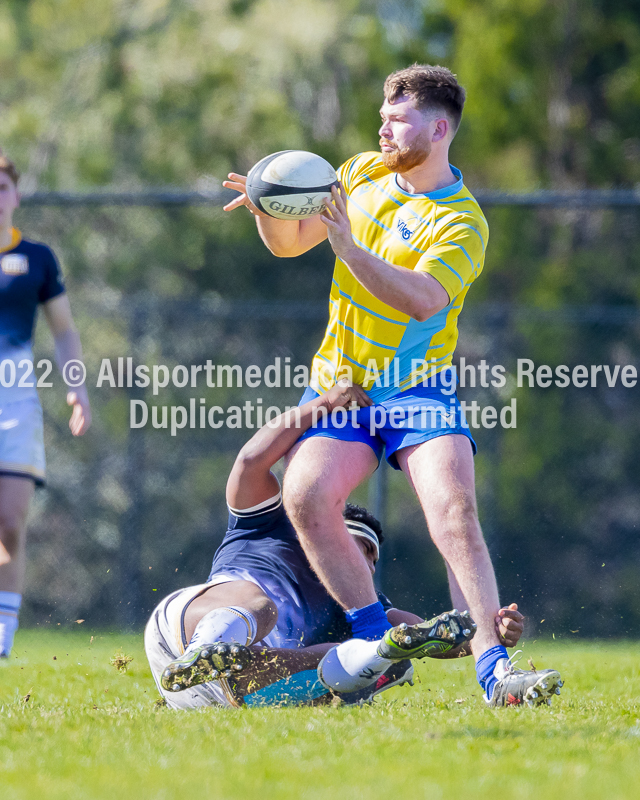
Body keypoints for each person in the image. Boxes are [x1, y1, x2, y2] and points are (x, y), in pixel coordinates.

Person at [222, 65, 562, 706]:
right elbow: (289, 245)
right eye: (382, 112)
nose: (383, 125)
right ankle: (374, 644)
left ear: (438, 128)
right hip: (342, 386)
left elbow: (424, 300)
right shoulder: (354, 173)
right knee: (306, 493)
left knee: (454, 508)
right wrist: (269, 208)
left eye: (398, 116)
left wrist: (348, 249)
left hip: (418, 389)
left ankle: (495, 670)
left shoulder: (463, 223)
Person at [145, 382, 536, 710]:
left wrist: (486, 630)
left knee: (381, 657)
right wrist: (322, 404)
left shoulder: (358, 602)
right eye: (357, 543)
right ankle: (209, 648)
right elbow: (250, 461)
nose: (364, 560)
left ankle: (231, 665)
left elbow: (435, 636)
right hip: (176, 641)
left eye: (371, 556)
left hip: (236, 691)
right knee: (261, 606)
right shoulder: (266, 525)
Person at [0, 151, 91, 658]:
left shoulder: (36, 258)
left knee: (10, 521)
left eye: (2, 187)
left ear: (14, 194)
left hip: (14, 402)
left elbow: (64, 332)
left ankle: (2, 637)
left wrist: (75, 387)